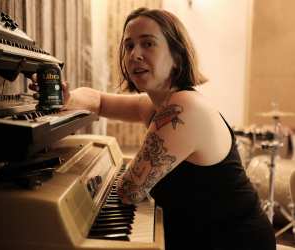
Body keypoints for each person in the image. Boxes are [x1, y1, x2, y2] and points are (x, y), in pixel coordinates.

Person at [30, 7, 276, 250]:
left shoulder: (185, 107)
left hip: (235, 241)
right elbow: (99, 100)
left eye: (148, 44)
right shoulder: (154, 103)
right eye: (128, 46)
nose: (134, 54)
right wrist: (66, 98)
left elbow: (129, 191)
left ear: (177, 56)